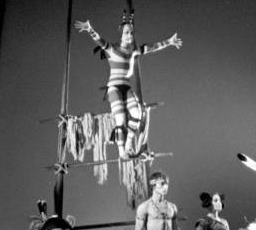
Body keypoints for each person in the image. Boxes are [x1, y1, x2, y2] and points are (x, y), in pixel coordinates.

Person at [75, 13, 182, 159]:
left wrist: (169, 42)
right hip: (114, 88)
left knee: (137, 114)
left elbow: (152, 47)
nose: (129, 35)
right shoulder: (112, 49)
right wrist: (89, 29)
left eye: (131, 32)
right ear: (121, 34)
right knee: (120, 119)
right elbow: (99, 41)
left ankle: (128, 144)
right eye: (126, 32)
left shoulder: (133, 51)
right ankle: (121, 152)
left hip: (126, 88)